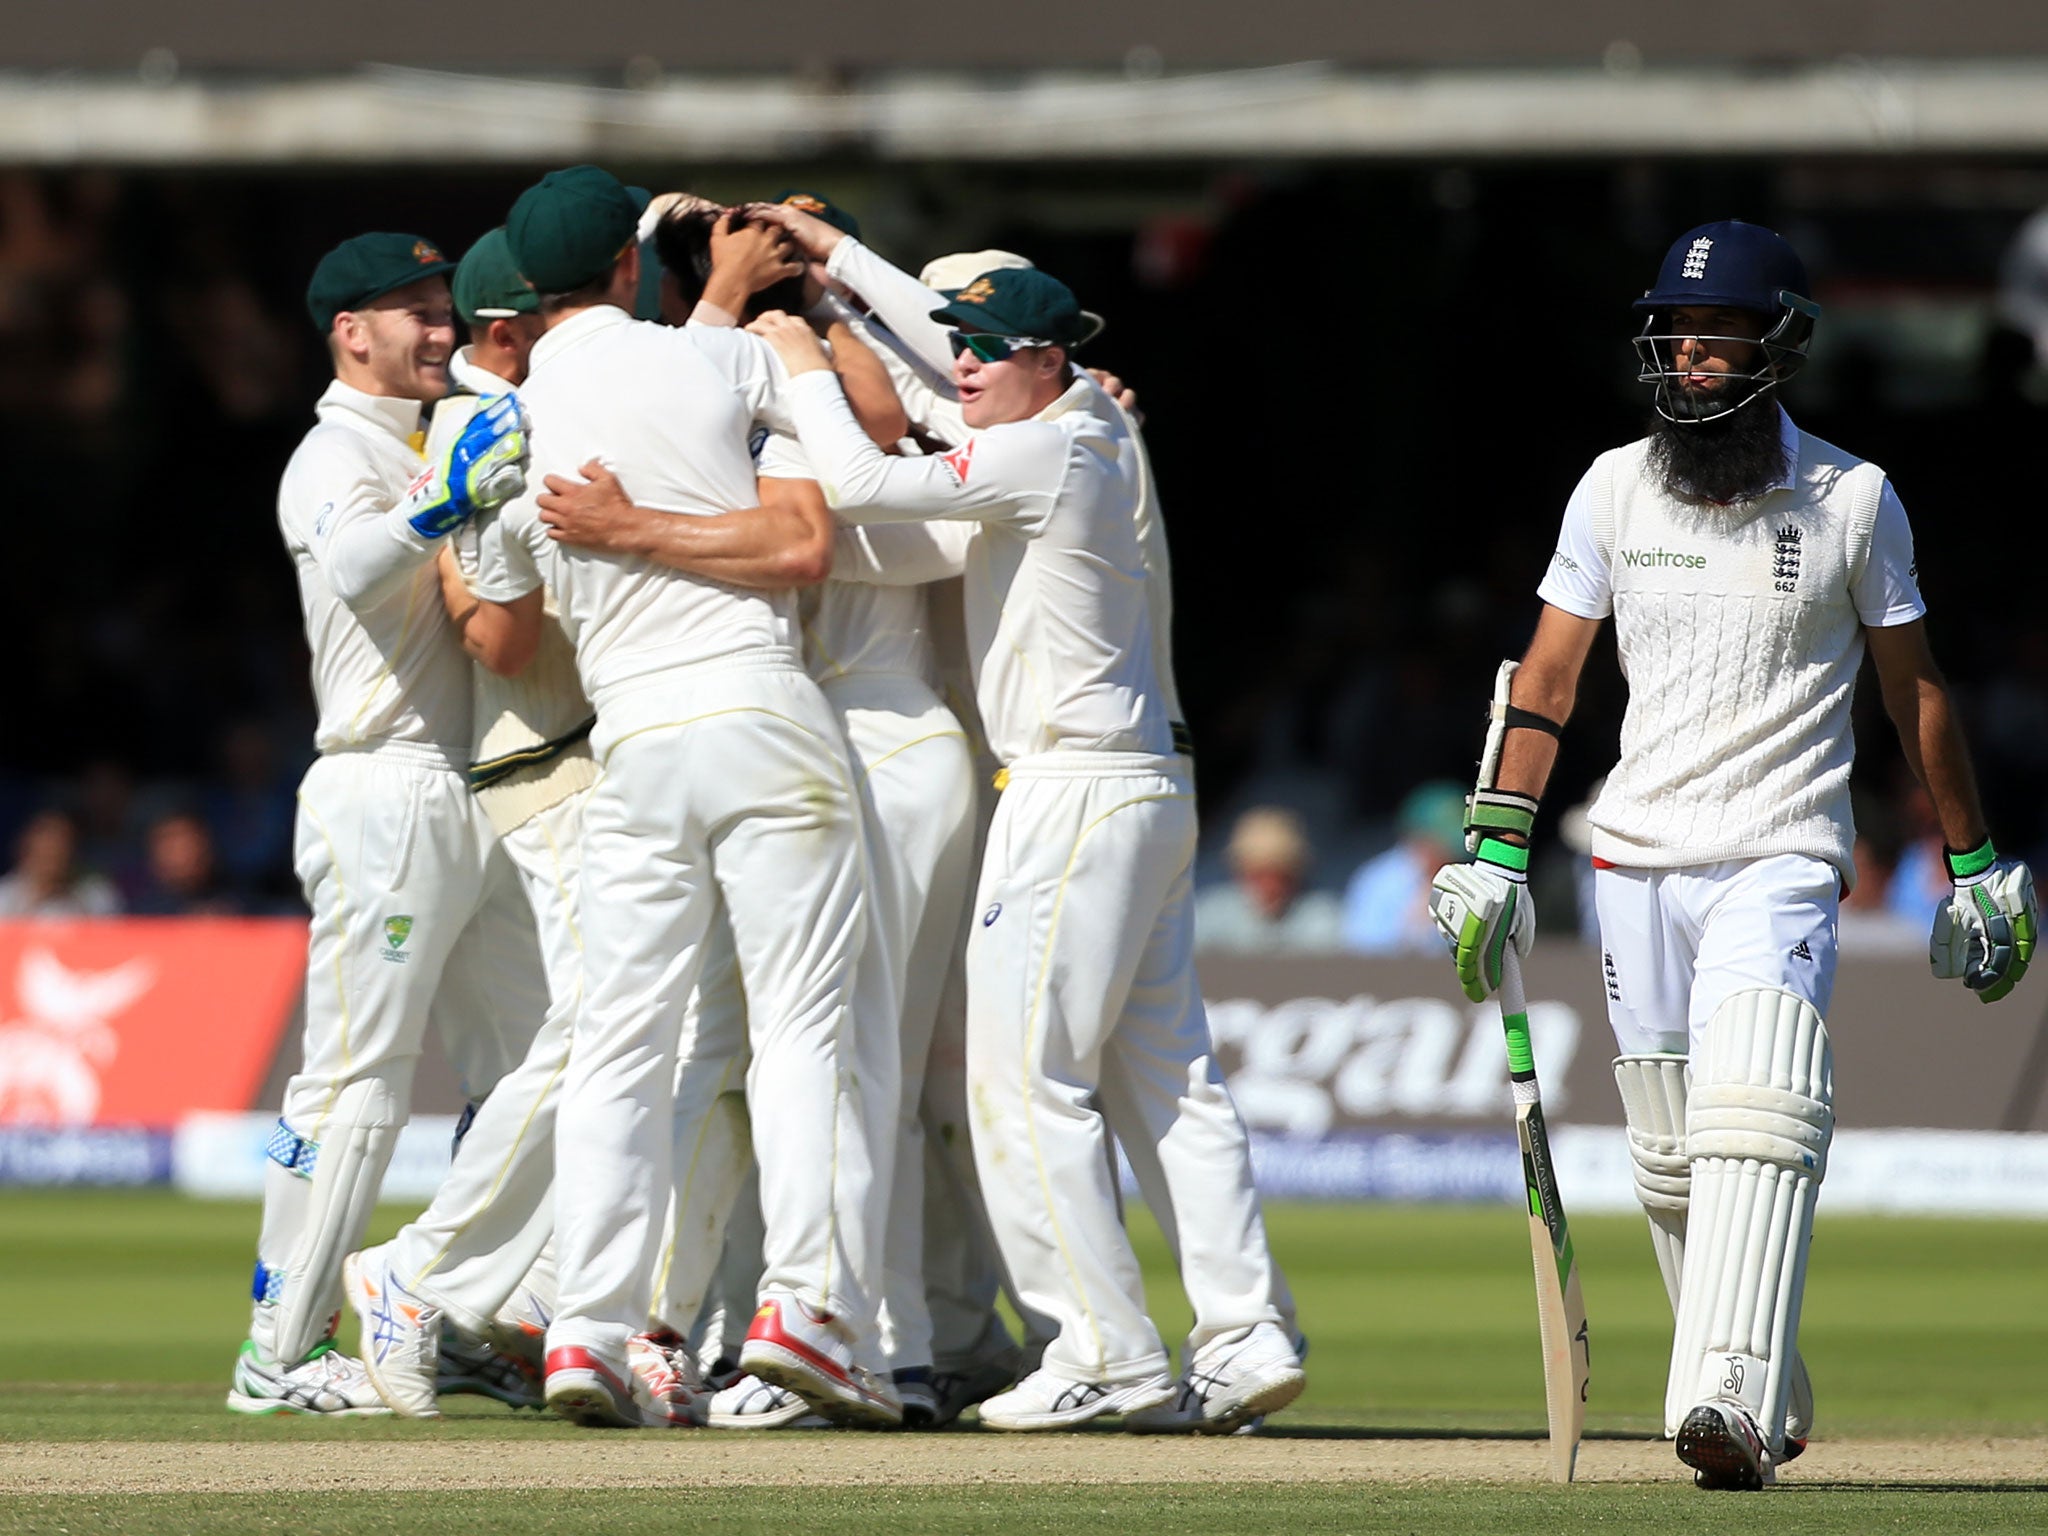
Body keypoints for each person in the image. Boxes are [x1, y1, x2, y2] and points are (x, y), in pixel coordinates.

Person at [1426, 220, 2038, 1490]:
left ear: (1778, 348)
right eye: (1676, 336)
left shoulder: (1851, 500)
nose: (1692, 359)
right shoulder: (1609, 487)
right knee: (1666, 1162)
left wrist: (1974, 862)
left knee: (1753, 1111)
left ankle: (1721, 1405)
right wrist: (1490, 848)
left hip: (1777, 850)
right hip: (1632, 855)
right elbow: (1545, 678)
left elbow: (1912, 693)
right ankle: (1772, 1382)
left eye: (1719, 338)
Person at [748, 261, 1304, 1434]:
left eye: (987, 350)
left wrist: (800, 356)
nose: (961, 363)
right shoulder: (1087, 423)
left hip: (1071, 789)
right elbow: (939, 435)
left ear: (1050, 361)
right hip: (1144, 781)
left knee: (1022, 1081)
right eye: (958, 342)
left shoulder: (1040, 447)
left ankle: (1101, 1348)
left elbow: (854, 478)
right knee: (1170, 1080)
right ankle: (1245, 1333)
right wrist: (835, 267)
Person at [468, 166, 893, 1429]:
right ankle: (804, 1310)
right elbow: (816, 520)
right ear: (623, 267)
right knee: (801, 1030)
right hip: (759, 709)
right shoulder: (719, 365)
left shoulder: (503, 416)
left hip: (634, 740)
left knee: (619, 1040)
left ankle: (587, 1334)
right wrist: (781, 300)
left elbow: (497, 615)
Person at [231, 229, 535, 1418]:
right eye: (414, 310)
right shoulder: (330, 453)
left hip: (484, 780)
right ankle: (283, 1351)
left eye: (444, 307)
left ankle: (452, 1306)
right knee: (357, 1083)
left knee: (546, 1062)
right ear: (349, 333)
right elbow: (358, 566)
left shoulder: (433, 433)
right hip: (385, 785)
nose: (441, 329)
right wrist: (445, 500)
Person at [342, 226, 610, 1422]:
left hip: (591, 760)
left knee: (642, 1041)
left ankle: (541, 1299)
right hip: (545, 763)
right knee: (605, 1022)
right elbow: (491, 632)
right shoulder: (469, 426)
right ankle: (420, 1272)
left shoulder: (543, 404)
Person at [1339, 782, 1467, 953]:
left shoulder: (1467, 876)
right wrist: (1415, 926)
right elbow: (1362, 949)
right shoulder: (1379, 880)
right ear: (1419, 836)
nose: (1451, 854)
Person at [1193, 807, 1343, 953]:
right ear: (1239, 874)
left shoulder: (1322, 916)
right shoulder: (1211, 913)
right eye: (1259, 876)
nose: (1271, 887)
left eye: (1281, 876)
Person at [0, 810, 120, 918]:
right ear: (26, 851)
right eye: (45, 852)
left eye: (59, 849)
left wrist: (74, 899)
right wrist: (34, 901)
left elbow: (114, 936)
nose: (52, 857)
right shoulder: (5, 893)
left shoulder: (97, 892)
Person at [128, 811, 240, 915]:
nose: (182, 853)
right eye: (170, 846)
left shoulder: (237, 904)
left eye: (189, 843)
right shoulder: (140, 916)